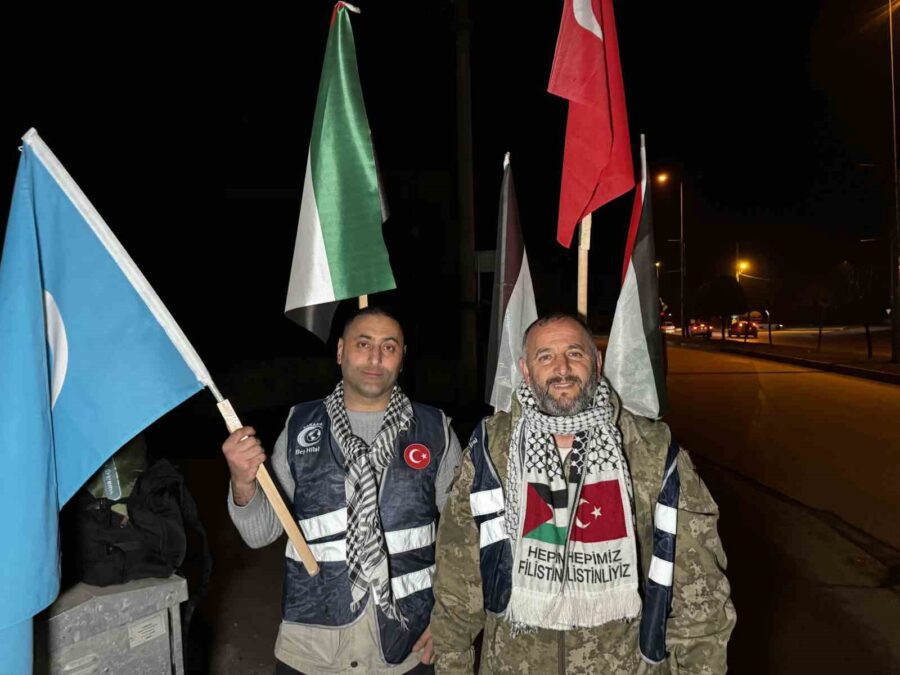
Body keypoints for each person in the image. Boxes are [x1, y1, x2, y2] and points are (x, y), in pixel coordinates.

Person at [431, 313, 735, 674]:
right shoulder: (491, 450)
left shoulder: (650, 451)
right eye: (545, 357)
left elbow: (699, 592)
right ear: (526, 371)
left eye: (575, 354)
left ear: (597, 362)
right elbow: (457, 577)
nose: (562, 368)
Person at [223, 307, 462, 674]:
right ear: (340, 352)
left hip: (407, 643)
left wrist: (449, 615)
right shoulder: (300, 427)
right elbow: (261, 533)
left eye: (389, 347)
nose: (375, 358)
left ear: (402, 357)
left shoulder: (436, 431)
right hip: (312, 644)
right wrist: (243, 480)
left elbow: (465, 537)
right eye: (363, 344)